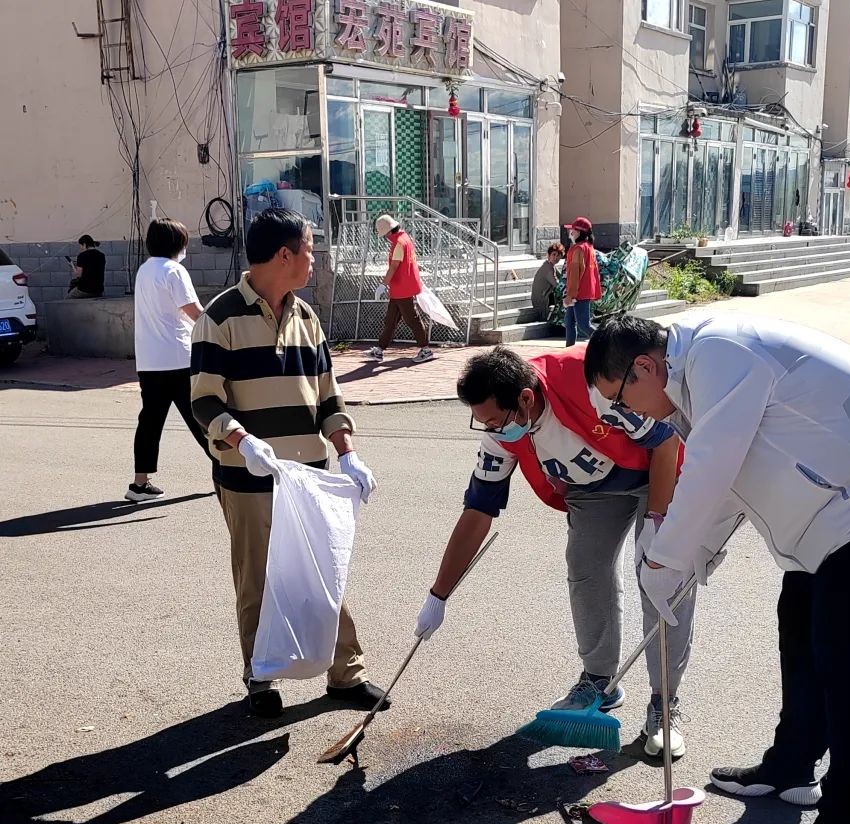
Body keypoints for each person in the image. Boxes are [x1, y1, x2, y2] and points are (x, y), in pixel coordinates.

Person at [584, 315, 850, 824]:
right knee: (800, 634)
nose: (625, 415)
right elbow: (728, 485)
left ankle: (846, 819)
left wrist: (664, 558)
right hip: (832, 515)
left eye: (619, 400)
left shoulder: (718, 354)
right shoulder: (692, 384)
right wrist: (688, 561)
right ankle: (792, 765)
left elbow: (710, 468)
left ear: (644, 366)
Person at [414, 344, 697, 756]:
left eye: (495, 421)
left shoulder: (592, 386)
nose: (492, 431)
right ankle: (598, 683)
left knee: (660, 578)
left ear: (526, 399)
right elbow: (477, 511)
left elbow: (666, 442)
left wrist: (656, 521)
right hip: (592, 489)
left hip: (657, 470)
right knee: (586, 569)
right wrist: (438, 596)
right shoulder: (500, 433)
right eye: (483, 423)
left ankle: (663, 704)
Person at [190, 208, 387, 719]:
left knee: (324, 574)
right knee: (257, 578)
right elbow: (204, 400)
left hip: (310, 478)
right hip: (248, 476)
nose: (314, 260)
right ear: (284, 255)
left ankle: (347, 674)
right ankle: (261, 677)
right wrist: (242, 441)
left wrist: (347, 452)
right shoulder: (220, 317)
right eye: (309, 250)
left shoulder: (306, 317)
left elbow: (328, 396)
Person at [126, 218, 211, 503]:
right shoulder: (174, 271)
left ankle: (139, 484)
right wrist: (220, 330)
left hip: (149, 361)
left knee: (150, 422)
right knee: (201, 416)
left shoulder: (145, 270)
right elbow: (194, 312)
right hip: (178, 357)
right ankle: (226, 469)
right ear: (178, 244)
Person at [366, 214, 434, 365]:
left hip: (402, 289)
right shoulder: (405, 238)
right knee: (390, 320)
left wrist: (383, 284)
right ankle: (379, 350)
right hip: (400, 288)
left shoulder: (399, 243)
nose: (385, 238)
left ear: (388, 232)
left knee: (412, 319)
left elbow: (394, 267)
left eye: (384, 235)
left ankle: (425, 349)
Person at [563, 216, 602, 347]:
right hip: (584, 291)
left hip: (579, 293)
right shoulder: (589, 247)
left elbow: (575, 274)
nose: (570, 232)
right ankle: (569, 349)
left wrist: (570, 295)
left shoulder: (578, 249)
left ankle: (605, 342)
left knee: (583, 325)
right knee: (569, 322)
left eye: (573, 230)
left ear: (579, 232)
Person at [531, 241, 565, 321]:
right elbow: (556, 285)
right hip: (540, 299)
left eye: (558, 255)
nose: (555, 257)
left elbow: (562, 277)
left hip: (546, 296)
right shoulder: (547, 268)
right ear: (549, 255)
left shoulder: (551, 266)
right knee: (563, 295)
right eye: (554, 254)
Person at [67, 234, 106, 298]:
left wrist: (73, 266)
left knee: (68, 298)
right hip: (99, 290)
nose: (81, 249)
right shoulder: (101, 255)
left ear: (84, 244)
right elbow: (92, 266)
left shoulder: (81, 255)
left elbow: (79, 275)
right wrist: (79, 264)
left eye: (81, 246)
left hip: (85, 290)